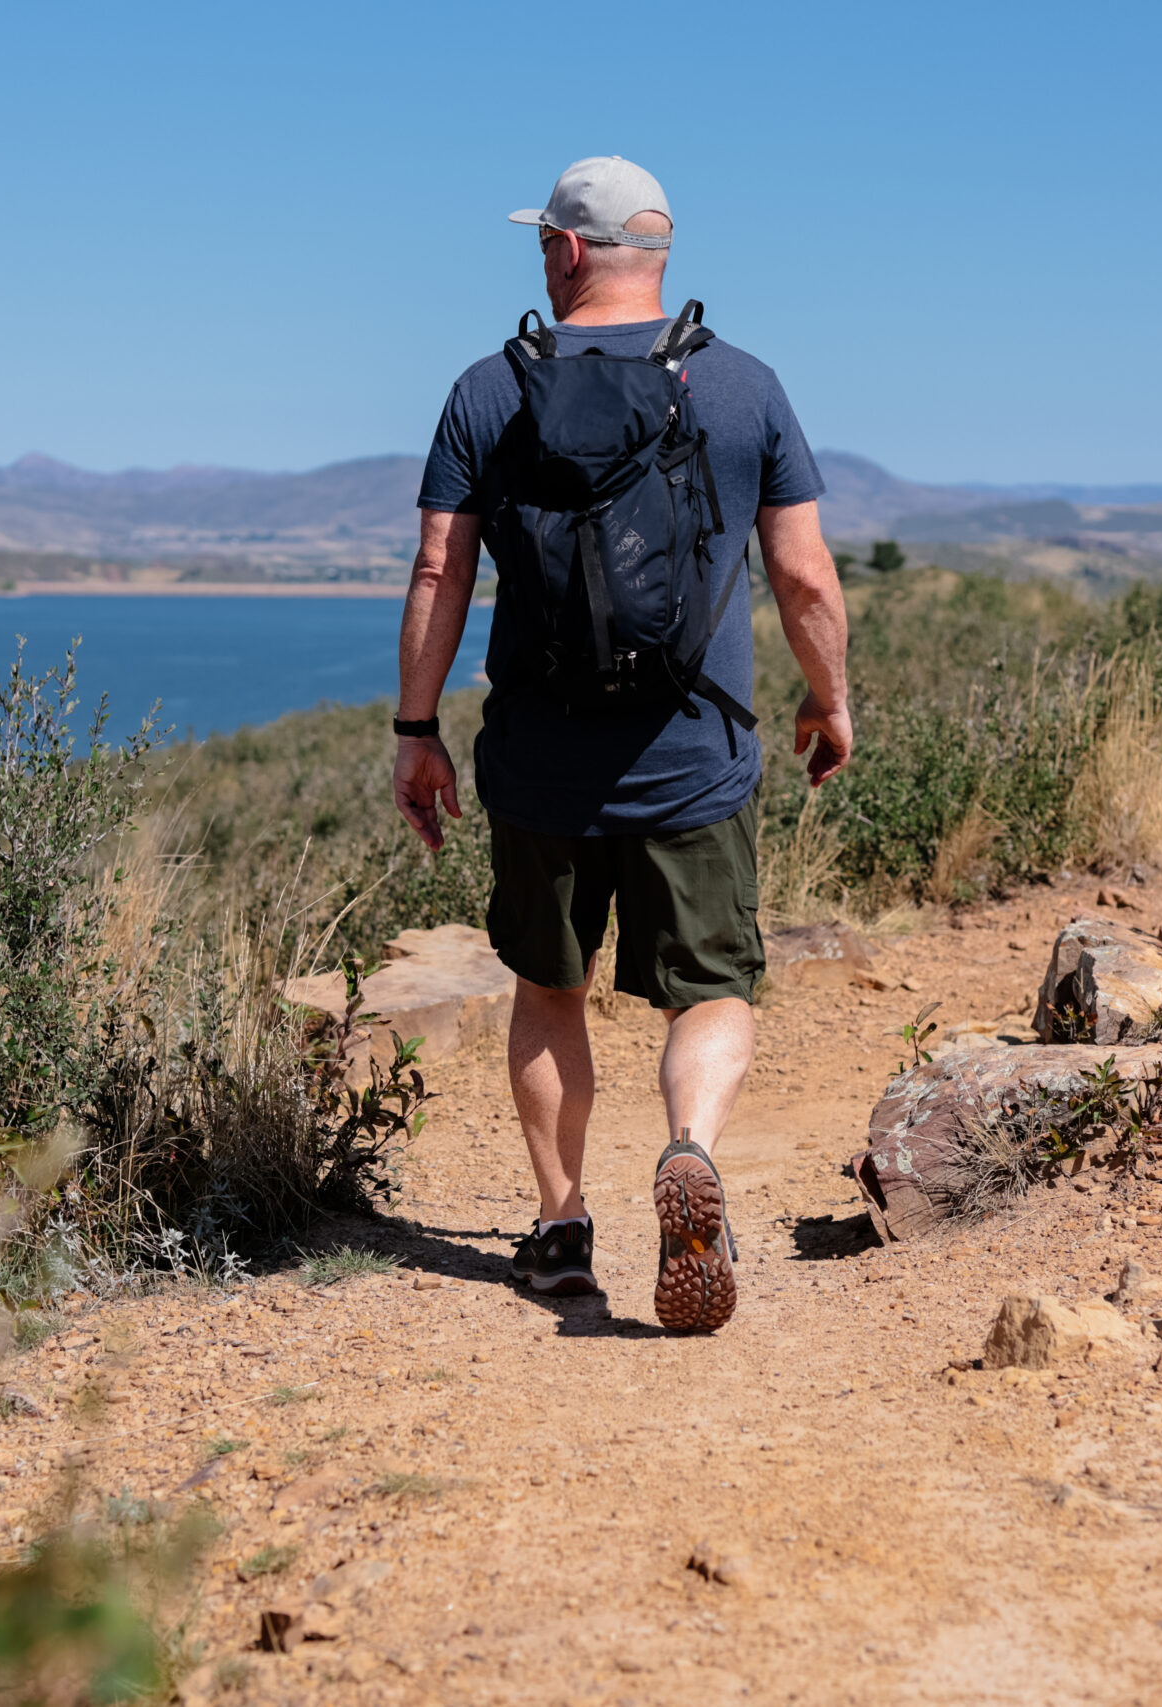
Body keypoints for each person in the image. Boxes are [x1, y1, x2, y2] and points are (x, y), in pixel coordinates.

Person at [391, 155, 851, 1333]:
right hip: (694, 758)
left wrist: (415, 729)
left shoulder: (489, 393)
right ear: (662, 253)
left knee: (549, 990)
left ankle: (559, 1228)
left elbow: (441, 567)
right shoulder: (743, 388)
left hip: (541, 764)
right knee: (709, 991)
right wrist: (827, 699)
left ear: (566, 251)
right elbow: (801, 573)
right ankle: (688, 1149)